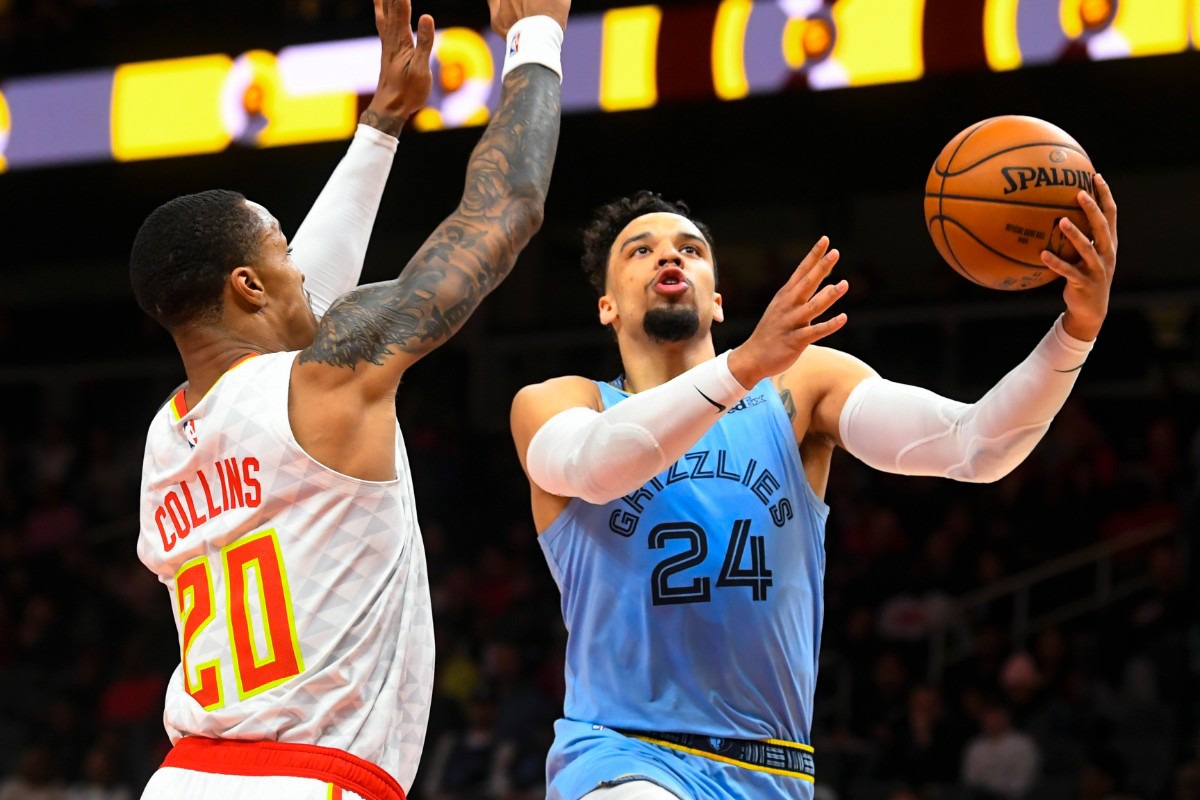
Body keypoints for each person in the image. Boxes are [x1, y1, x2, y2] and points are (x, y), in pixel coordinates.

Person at [510, 180, 1117, 799]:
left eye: (690, 249)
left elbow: (974, 446)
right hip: (623, 755)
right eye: (640, 251)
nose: (670, 257)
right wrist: (744, 364)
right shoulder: (559, 402)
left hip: (776, 770)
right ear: (607, 305)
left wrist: (1077, 331)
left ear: (717, 300)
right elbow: (595, 466)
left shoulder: (799, 387)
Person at [129, 0, 567, 795]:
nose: (304, 267)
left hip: (184, 773)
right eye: (281, 252)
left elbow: (297, 303)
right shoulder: (325, 382)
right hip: (306, 777)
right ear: (249, 284)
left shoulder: (166, 440)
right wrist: (537, 38)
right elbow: (507, 210)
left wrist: (383, 125)